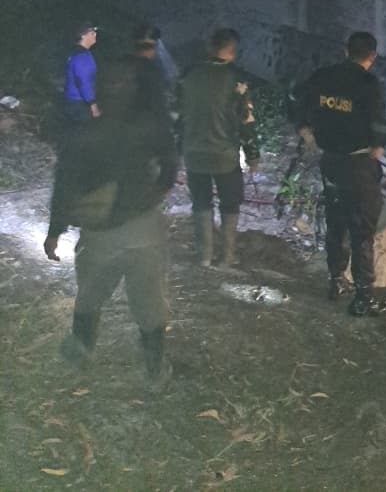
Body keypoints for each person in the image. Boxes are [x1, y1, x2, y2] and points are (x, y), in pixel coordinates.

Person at [44, 54, 178, 389]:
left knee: (90, 293)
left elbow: (64, 187)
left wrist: (55, 231)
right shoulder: (150, 126)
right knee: (149, 301)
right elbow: (170, 166)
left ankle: (81, 350)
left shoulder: (81, 135)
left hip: (100, 232)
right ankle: (154, 370)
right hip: (144, 228)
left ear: (98, 91)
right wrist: (154, 193)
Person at [296, 32, 386, 315]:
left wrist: (305, 131)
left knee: (336, 222)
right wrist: (379, 145)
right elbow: (378, 123)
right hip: (359, 164)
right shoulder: (369, 84)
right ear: (372, 56)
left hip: (331, 163)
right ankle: (364, 297)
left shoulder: (323, 76)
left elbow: (297, 101)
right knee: (362, 229)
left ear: (345, 50)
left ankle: (336, 280)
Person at [177, 28, 260, 269]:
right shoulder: (236, 79)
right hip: (225, 155)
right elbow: (245, 120)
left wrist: (177, 149)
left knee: (201, 202)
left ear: (209, 47)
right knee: (229, 203)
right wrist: (253, 155)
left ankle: (204, 255)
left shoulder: (188, 75)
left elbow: (177, 115)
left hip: (194, 153)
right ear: (232, 51)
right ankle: (227, 256)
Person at [63, 24, 99, 122]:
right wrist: (93, 104)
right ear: (83, 35)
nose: (95, 34)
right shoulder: (82, 56)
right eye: (92, 32)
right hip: (79, 104)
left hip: (71, 101)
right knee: (84, 129)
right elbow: (83, 82)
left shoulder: (75, 52)